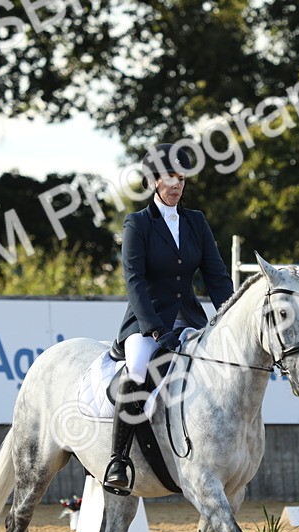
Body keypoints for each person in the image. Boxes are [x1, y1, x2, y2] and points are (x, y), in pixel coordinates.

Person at [103, 143, 235, 494]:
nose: (177, 185)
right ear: (152, 181)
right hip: (146, 322)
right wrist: (155, 329)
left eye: (181, 178)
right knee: (138, 370)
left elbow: (216, 275)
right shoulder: (137, 224)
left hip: (189, 318)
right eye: (169, 178)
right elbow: (134, 281)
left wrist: (229, 314)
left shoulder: (196, 221)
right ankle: (118, 460)